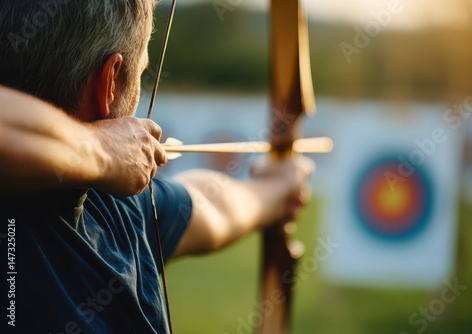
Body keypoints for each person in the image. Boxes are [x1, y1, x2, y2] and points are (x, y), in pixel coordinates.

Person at [0, 1, 313, 333]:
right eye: (141, 72)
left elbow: (211, 206)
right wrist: (104, 149)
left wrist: (277, 187)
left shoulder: (111, 207)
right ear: (109, 82)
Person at [0, 85, 167, 196]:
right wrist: (105, 147)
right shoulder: (116, 203)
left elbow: (193, 195)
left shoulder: (119, 198)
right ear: (109, 84)